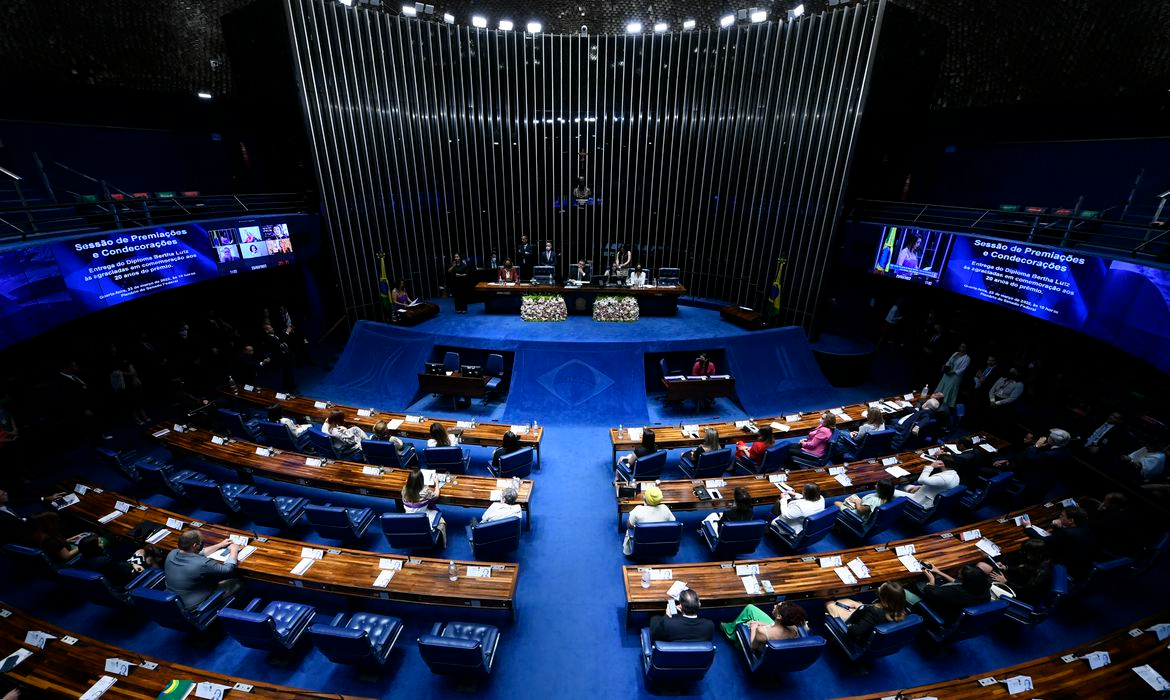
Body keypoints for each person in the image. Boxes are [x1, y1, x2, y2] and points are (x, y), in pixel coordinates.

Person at [164, 530, 243, 610]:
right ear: (195, 545)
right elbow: (228, 570)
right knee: (237, 582)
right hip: (192, 605)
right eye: (201, 543)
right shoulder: (203, 563)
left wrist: (220, 545)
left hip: (172, 601)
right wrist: (234, 550)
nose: (202, 544)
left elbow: (200, 553)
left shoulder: (172, 553)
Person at [826, 582, 909, 642]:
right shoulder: (901, 611)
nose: (879, 588)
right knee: (855, 602)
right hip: (872, 634)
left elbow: (855, 631)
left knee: (830, 604)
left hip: (856, 633)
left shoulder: (874, 612)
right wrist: (862, 608)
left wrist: (851, 624)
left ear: (885, 598)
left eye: (881, 588)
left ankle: (836, 637)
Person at [911, 563, 992, 624]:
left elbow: (931, 592)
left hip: (943, 614)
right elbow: (957, 582)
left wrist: (931, 581)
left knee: (914, 584)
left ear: (966, 581)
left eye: (960, 576)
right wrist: (939, 572)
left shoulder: (956, 593)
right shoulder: (983, 588)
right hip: (957, 610)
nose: (958, 576)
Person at [977, 539, 1052, 604]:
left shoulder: (1042, 573)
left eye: (1025, 552)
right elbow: (1023, 570)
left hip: (1019, 594)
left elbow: (1025, 592)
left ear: (1034, 554)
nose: (1022, 553)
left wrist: (1005, 582)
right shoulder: (1036, 561)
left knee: (983, 579)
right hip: (1016, 581)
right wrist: (1007, 568)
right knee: (982, 565)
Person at [721, 601, 806, 652]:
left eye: (777, 606)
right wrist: (762, 623)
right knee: (750, 608)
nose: (775, 605)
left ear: (779, 616)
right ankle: (730, 629)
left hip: (763, 646)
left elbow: (753, 646)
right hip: (776, 632)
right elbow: (776, 627)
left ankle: (729, 631)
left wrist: (754, 627)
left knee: (750, 614)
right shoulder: (793, 626)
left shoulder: (762, 631)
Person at [623, 486, 675, 556]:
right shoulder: (665, 508)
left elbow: (630, 525)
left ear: (645, 498)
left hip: (641, 541)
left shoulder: (638, 509)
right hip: (659, 540)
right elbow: (673, 524)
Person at [401, 468, 447, 547]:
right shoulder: (425, 492)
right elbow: (436, 495)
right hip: (423, 517)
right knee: (442, 523)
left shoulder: (404, 490)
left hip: (408, 517)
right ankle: (441, 544)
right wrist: (436, 483)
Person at [649, 589, 714, 642]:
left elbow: (654, 637)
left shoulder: (667, 623)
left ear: (680, 606)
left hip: (671, 655)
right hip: (697, 656)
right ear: (699, 604)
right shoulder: (709, 625)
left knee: (655, 618)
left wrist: (667, 616)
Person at [896, 454, 960, 508]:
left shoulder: (943, 478)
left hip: (919, 502)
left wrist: (931, 466)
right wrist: (920, 487)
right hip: (926, 495)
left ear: (941, 463)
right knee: (906, 486)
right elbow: (939, 487)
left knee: (890, 490)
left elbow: (921, 480)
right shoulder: (955, 475)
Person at [260, 322, 297, 392]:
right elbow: (277, 342)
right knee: (289, 373)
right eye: (270, 328)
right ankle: (291, 389)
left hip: (286, 355)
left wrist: (286, 331)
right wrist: (287, 332)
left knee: (286, 372)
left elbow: (282, 337)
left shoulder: (275, 334)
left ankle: (285, 385)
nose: (272, 328)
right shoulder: (267, 338)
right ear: (266, 330)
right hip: (281, 357)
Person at [935, 342, 970, 408]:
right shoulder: (955, 353)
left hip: (955, 377)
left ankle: (944, 406)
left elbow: (962, 369)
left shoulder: (967, 358)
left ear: (966, 348)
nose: (961, 348)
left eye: (963, 347)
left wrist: (952, 372)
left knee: (949, 390)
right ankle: (936, 402)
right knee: (941, 387)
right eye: (961, 346)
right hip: (947, 374)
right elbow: (949, 361)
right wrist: (945, 367)